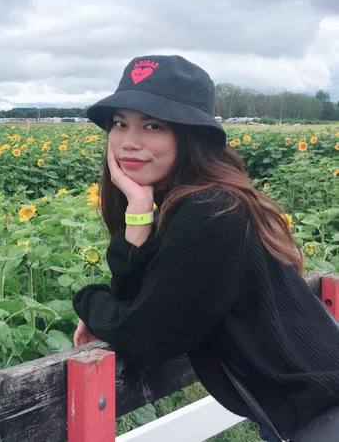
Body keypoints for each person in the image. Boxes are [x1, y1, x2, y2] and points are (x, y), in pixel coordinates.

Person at [72, 55, 339, 441]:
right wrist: (138, 212)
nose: (129, 141)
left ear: (190, 135)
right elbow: (139, 302)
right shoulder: (202, 201)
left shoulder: (209, 210)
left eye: (152, 125)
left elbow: (146, 336)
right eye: (120, 123)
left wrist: (87, 302)